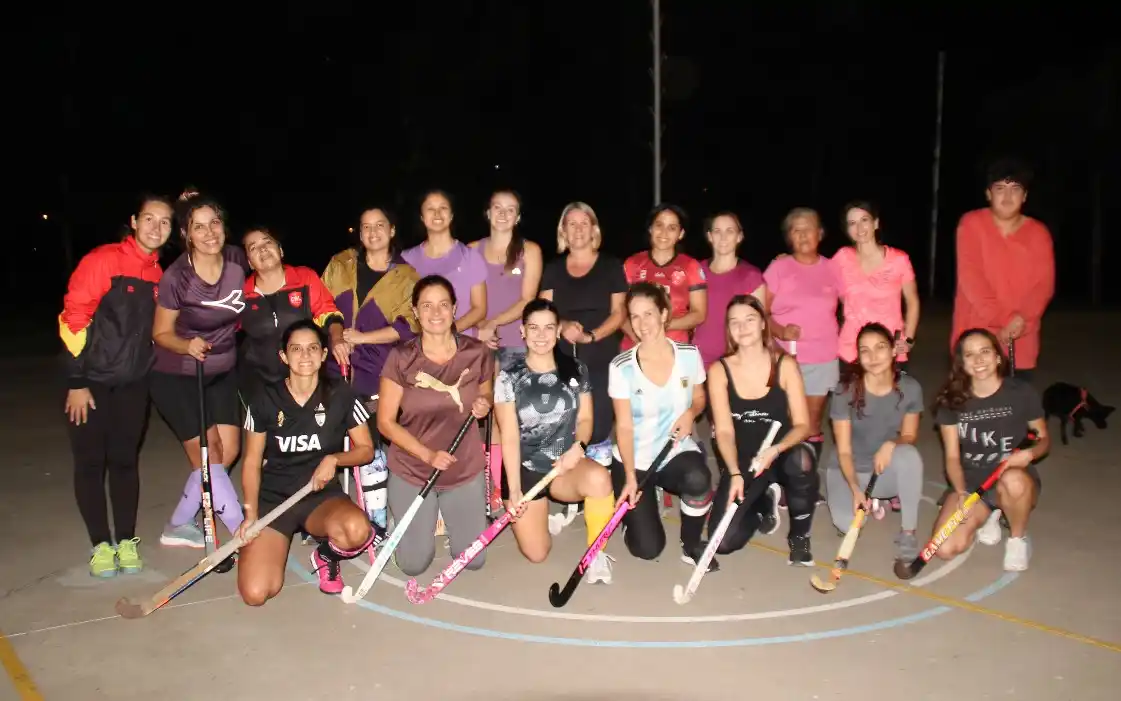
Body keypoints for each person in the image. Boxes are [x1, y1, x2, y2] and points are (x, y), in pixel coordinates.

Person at [60, 194, 174, 577]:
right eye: (149, 218)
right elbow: (73, 319)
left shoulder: (159, 275)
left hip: (133, 383)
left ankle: (125, 541)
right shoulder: (103, 260)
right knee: (91, 463)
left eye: (165, 221)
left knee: (125, 462)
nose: (156, 227)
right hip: (90, 382)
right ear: (134, 222)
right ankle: (100, 545)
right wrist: (76, 380)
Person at [236, 319, 377, 602]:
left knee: (357, 530)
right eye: (296, 349)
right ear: (283, 356)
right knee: (256, 594)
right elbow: (251, 462)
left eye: (313, 348)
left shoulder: (341, 394)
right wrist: (250, 514)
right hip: (275, 499)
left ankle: (326, 555)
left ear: (324, 354)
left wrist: (335, 459)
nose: (305, 355)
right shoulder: (264, 398)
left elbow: (366, 450)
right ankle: (263, 547)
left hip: (321, 497)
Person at [376, 275, 493, 576]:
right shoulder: (401, 357)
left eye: (443, 304)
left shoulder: (477, 352)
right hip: (413, 469)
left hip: (463, 467)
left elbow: (486, 392)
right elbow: (385, 423)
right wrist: (428, 455)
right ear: (415, 311)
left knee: (473, 561)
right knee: (413, 565)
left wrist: (484, 403)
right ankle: (406, 522)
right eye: (427, 306)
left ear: (454, 308)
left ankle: (448, 518)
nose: (436, 312)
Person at [495, 299, 616, 583]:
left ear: (558, 330)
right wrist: (514, 489)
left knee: (599, 479)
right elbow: (509, 436)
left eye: (549, 327)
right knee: (537, 554)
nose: (541, 335)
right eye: (533, 328)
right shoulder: (508, 377)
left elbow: (585, 419)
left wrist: (579, 448)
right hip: (525, 470)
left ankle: (596, 554)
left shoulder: (576, 369)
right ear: (522, 331)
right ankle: (540, 516)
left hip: (564, 466)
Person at [151, 194, 247, 548]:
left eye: (215, 223)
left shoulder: (237, 259)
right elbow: (160, 333)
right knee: (210, 459)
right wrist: (186, 344)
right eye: (199, 227)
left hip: (222, 371)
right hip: (177, 374)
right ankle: (243, 532)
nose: (209, 233)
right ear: (186, 234)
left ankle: (178, 523)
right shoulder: (177, 277)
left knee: (227, 452)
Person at [609, 283, 714, 568]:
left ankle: (691, 543)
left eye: (649, 314)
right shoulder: (621, 367)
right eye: (635, 316)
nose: (642, 323)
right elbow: (624, 427)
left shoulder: (689, 355)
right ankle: (630, 517)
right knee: (648, 549)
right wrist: (630, 476)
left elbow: (700, 398)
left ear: (664, 314)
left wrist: (691, 412)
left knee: (698, 478)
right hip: (635, 460)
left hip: (674, 452)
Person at [706, 295, 816, 564]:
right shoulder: (719, 371)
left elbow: (803, 425)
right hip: (745, 461)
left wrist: (776, 449)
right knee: (723, 542)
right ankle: (764, 503)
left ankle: (799, 536)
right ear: (728, 329)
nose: (742, 327)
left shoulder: (784, 365)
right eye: (734, 322)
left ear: (764, 324)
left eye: (749, 319)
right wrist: (734, 472)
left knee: (802, 460)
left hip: (781, 453)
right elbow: (724, 432)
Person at [930, 328, 1050, 571]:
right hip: (973, 482)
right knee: (944, 548)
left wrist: (1029, 454)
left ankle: (1016, 539)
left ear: (997, 357)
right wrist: (961, 492)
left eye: (985, 351)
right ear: (962, 363)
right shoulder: (951, 401)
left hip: (1012, 476)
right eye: (970, 355)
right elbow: (952, 457)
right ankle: (990, 513)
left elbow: (1043, 439)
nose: (978, 360)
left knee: (1013, 481)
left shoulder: (1021, 392)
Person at [824, 323, 925, 563]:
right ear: (858, 356)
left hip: (883, 468)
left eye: (880, 347)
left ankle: (908, 532)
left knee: (909, 455)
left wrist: (891, 444)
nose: (873, 356)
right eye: (865, 350)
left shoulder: (910, 388)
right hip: (849, 470)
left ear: (893, 350)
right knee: (846, 524)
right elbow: (844, 451)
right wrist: (855, 490)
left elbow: (909, 436)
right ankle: (872, 500)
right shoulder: (845, 391)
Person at [951, 160, 1055, 383]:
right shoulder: (971, 224)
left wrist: (1021, 320)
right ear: (988, 194)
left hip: (1020, 339)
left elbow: (1043, 286)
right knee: (969, 402)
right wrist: (1005, 319)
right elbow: (971, 277)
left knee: (1015, 402)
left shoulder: (1038, 233)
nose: (1007, 197)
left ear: (1025, 196)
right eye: (1000, 189)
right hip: (975, 338)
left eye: (1015, 189)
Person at [472, 190, 544, 510]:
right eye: (497, 208)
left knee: (510, 418)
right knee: (480, 414)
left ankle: (505, 484)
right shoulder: (471, 251)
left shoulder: (530, 251)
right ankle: (485, 484)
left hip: (515, 343)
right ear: (488, 213)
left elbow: (528, 299)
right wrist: (479, 329)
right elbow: (463, 298)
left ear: (518, 216)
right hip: (478, 343)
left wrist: (493, 323)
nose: (503, 214)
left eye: (510, 209)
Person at [538, 202, 627, 461]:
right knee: (565, 427)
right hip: (562, 358)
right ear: (563, 231)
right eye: (571, 224)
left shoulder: (611, 266)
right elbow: (544, 310)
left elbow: (619, 312)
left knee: (597, 429)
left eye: (584, 223)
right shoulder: (553, 269)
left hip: (601, 356)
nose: (578, 229)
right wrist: (563, 324)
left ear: (594, 230)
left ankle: (598, 478)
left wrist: (591, 336)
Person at [764, 208, 842, 464]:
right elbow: (759, 312)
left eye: (808, 228)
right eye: (796, 230)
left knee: (811, 422)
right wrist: (781, 331)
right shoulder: (778, 267)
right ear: (789, 237)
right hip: (784, 357)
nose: (802, 234)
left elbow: (856, 304)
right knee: (785, 419)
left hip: (823, 357)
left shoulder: (834, 268)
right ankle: (780, 473)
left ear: (820, 233)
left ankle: (805, 476)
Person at [321, 206, 420, 400]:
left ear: (392, 230)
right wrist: (337, 336)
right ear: (360, 233)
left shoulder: (407, 277)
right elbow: (321, 305)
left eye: (379, 225)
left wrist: (362, 338)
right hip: (333, 370)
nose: (372, 232)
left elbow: (410, 325)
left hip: (377, 374)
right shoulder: (341, 263)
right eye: (366, 226)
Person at [240, 226, 347, 401]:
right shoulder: (242, 293)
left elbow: (328, 313)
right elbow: (225, 326)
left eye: (267, 242)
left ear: (280, 250)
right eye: (253, 247)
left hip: (306, 378)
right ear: (250, 263)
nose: (262, 249)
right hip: (260, 384)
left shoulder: (305, 278)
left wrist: (337, 338)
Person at [833, 201, 921, 371]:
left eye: (864, 220)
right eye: (852, 223)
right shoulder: (842, 257)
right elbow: (819, 278)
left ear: (875, 223)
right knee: (852, 389)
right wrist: (788, 261)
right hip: (851, 348)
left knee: (891, 389)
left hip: (888, 345)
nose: (859, 228)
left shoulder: (898, 259)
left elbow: (912, 301)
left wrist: (908, 339)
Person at [621, 203, 707, 351]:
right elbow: (619, 310)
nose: (664, 232)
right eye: (659, 225)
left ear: (681, 234)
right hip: (635, 347)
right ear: (650, 228)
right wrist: (638, 337)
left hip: (675, 348)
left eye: (672, 228)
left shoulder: (690, 266)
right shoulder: (632, 263)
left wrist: (662, 324)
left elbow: (699, 314)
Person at [400, 190, 487, 336]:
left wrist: (448, 333)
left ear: (451, 215)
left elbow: (479, 308)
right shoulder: (406, 259)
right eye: (430, 208)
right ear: (422, 217)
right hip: (420, 345)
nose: (437, 213)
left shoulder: (470, 257)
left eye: (443, 208)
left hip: (461, 342)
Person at [694, 211, 765, 369]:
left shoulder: (751, 276)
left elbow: (759, 325)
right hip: (699, 361)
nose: (723, 237)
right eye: (717, 231)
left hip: (736, 362)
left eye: (730, 231)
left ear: (739, 237)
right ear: (710, 236)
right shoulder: (696, 271)